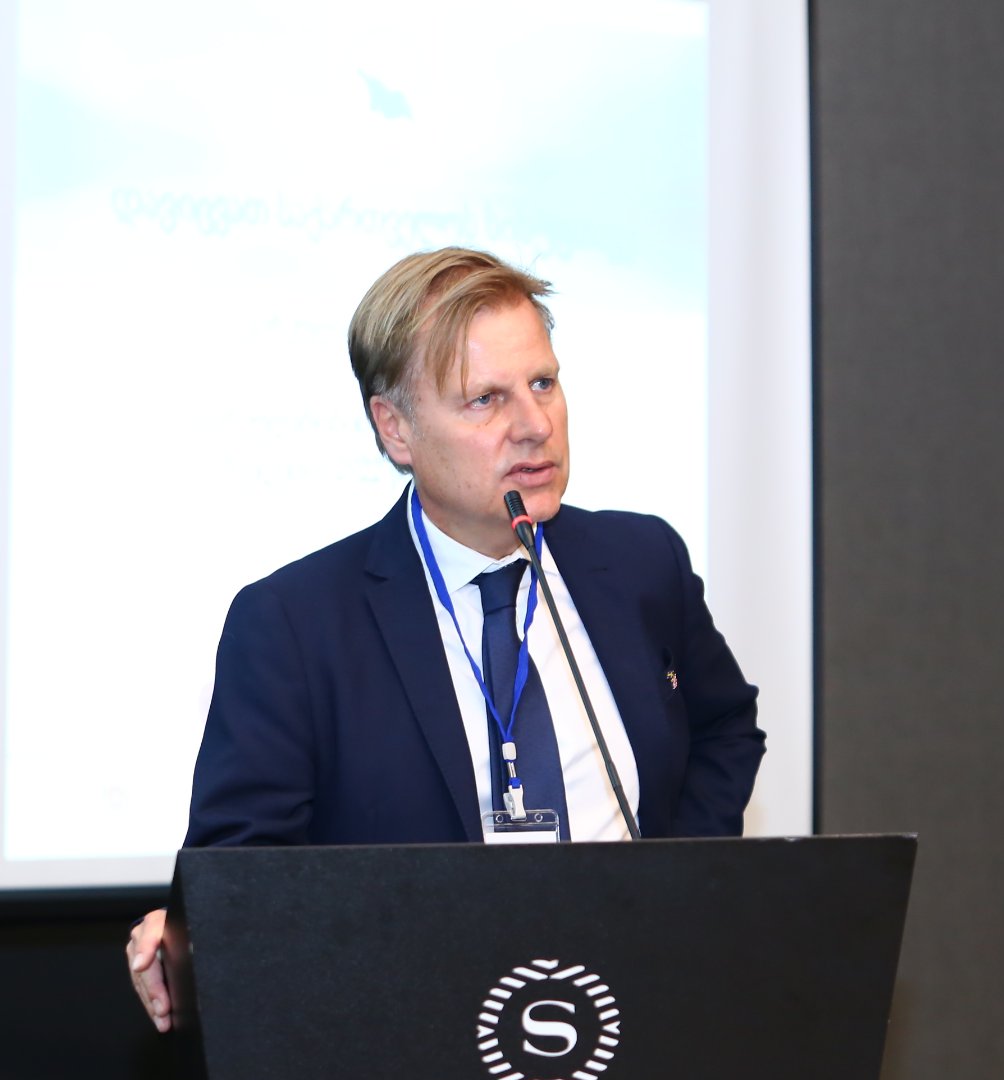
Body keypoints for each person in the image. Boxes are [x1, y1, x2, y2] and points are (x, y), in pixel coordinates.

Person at [128, 247, 763, 1030]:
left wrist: (679, 886)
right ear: (395, 428)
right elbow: (239, 871)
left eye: (543, 383)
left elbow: (726, 726)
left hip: (639, 1011)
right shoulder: (294, 624)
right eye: (485, 399)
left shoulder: (639, 563)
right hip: (411, 1037)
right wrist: (190, 931)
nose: (534, 425)